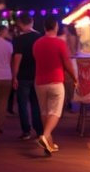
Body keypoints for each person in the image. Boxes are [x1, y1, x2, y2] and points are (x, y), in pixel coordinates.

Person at [33, 16, 78, 155]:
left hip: (40, 82)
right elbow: (67, 63)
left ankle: (49, 145)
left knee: (45, 112)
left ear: (44, 27)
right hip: (56, 81)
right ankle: (45, 136)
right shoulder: (60, 43)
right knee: (55, 112)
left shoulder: (37, 43)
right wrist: (74, 78)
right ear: (56, 27)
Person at [11, 12, 44, 141]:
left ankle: (26, 131)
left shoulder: (19, 40)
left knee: (23, 105)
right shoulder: (40, 37)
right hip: (37, 75)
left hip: (23, 76)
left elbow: (17, 58)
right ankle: (39, 130)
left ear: (20, 23)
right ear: (32, 22)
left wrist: (14, 76)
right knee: (36, 104)